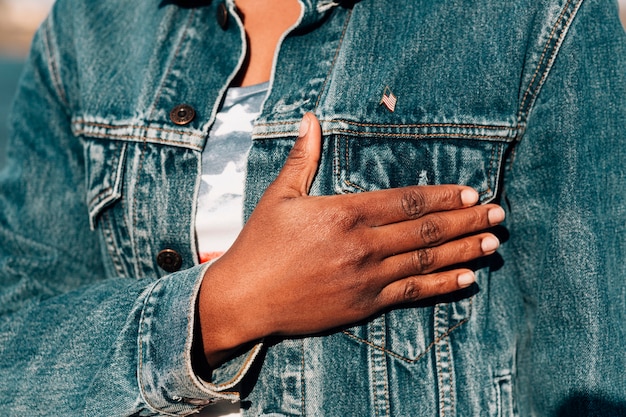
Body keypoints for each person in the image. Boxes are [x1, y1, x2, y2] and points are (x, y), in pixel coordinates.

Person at [0, 0, 624, 416]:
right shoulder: (92, 24)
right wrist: (220, 307)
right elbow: (17, 351)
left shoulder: (534, 16)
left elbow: (593, 373)